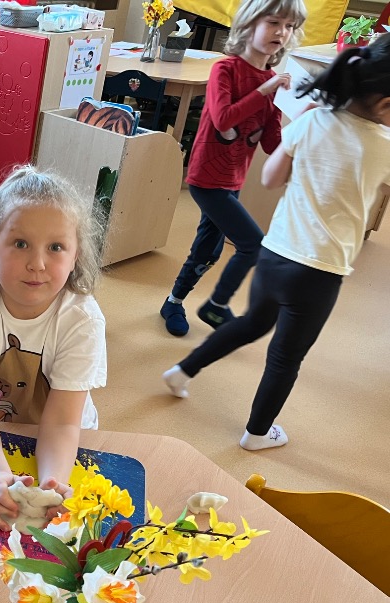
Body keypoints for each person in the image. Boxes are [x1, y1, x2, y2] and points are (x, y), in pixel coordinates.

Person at [162, 35, 390, 451]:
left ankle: (182, 372)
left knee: (253, 323)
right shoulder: (383, 146)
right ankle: (257, 433)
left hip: (275, 254)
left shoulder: (313, 120)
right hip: (320, 271)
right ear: (386, 103)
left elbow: (270, 178)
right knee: (286, 357)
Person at [0, 166, 106, 531]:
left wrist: (52, 485)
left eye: (56, 247)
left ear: (76, 255)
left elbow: (63, 421)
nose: (37, 264)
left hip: (66, 441)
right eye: (21, 244)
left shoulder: (83, 320)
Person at [159, 0, 306, 336]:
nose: (282, 32)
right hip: (207, 177)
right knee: (253, 244)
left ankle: (173, 302)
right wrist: (265, 90)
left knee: (207, 250)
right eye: (274, 23)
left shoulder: (272, 80)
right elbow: (224, 118)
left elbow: (271, 143)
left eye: (289, 26)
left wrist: (303, 124)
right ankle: (216, 305)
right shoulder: (225, 70)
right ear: (249, 24)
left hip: (233, 178)